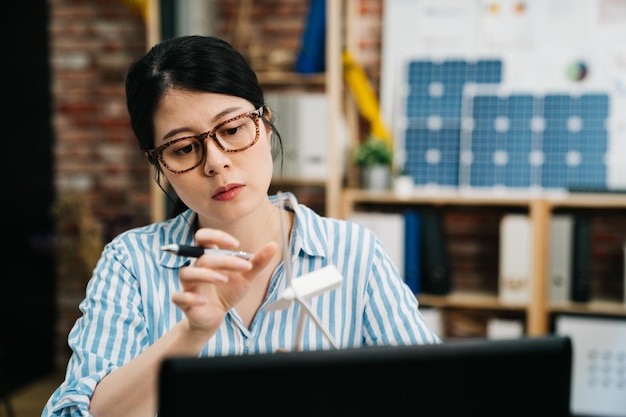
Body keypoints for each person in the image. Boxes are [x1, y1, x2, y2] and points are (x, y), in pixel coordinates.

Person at [42, 35, 441, 417]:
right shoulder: (132, 262)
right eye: (183, 148)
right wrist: (192, 333)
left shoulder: (354, 252)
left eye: (232, 129)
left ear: (265, 125)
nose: (215, 161)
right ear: (160, 165)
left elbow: (434, 396)